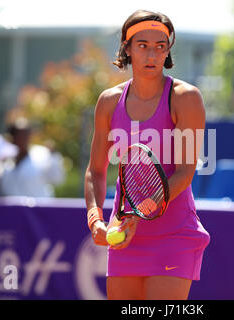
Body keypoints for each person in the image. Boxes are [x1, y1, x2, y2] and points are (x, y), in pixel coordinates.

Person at [84, 10, 210, 300]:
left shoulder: (186, 97)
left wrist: (138, 214)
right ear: (127, 49)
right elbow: (96, 171)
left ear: (167, 51)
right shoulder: (108, 102)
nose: (152, 54)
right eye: (142, 46)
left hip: (174, 236)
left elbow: (185, 172)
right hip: (125, 235)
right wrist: (96, 221)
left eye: (160, 46)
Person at [0, 118, 65, 197]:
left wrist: (54, 157)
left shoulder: (42, 154)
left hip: (39, 207)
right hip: (14, 208)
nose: (23, 139)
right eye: (19, 135)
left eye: (26, 135)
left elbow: (57, 179)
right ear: (12, 138)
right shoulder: (5, 160)